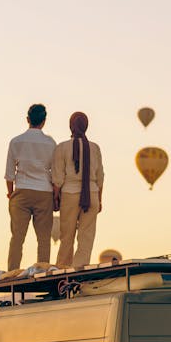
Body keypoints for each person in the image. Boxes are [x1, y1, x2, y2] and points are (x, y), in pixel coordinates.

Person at [5, 104, 57, 271]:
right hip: (44, 192)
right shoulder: (50, 143)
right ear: (44, 121)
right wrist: (55, 196)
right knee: (43, 238)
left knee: (17, 238)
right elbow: (55, 174)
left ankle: (13, 271)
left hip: (22, 191)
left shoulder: (16, 141)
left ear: (27, 119)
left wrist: (11, 194)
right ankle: (42, 271)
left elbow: (9, 174)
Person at [52, 112, 104, 269]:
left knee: (66, 236)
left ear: (70, 126)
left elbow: (58, 177)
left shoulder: (62, 147)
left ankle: (63, 269)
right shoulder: (95, 148)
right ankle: (79, 269)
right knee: (86, 237)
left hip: (70, 194)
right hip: (92, 195)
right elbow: (100, 177)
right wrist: (100, 200)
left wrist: (56, 196)